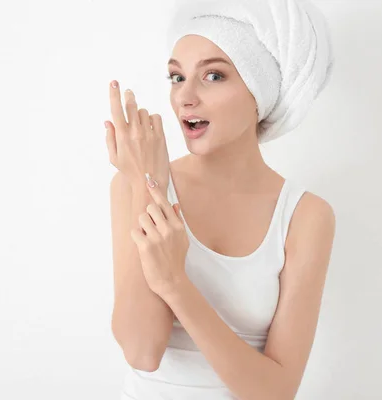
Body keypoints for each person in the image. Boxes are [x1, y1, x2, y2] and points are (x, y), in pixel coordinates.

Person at [105, 0, 336, 398]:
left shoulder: (304, 216)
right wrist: (147, 183)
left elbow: (276, 392)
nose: (184, 98)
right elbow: (142, 351)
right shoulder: (133, 184)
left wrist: (176, 283)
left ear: (258, 91)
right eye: (176, 77)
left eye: (213, 75)